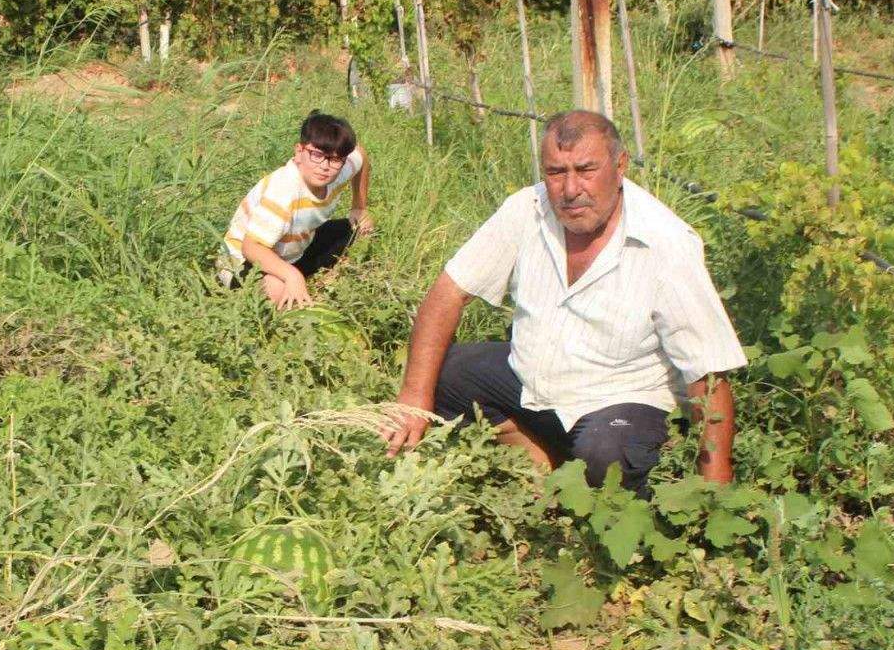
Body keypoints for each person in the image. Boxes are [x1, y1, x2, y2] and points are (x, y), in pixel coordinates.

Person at [381, 110, 747, 498]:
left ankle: (601, 477)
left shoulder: (665, 242)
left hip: (617, 400)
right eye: (556, 173)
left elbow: (708, 372)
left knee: (606, 453)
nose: (570, 189)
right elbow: (448, 294)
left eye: (586, 170)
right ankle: (540, 462)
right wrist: (413, 398)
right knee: (440, 372)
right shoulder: (527, 210)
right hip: (533, 381)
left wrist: (715, 494)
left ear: (620, 165)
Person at [217, 110, 372, 309]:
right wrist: (292, 276)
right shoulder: (284, 190)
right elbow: (251, 247)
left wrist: (359, 207)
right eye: (316, 155)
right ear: (299, 152)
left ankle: (321, 277)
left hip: (294, 250)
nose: (324, 166)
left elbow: (361, 155)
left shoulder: (338, 171)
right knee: (277, 289)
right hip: (243, 262)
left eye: (334, 159)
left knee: (361, 228)